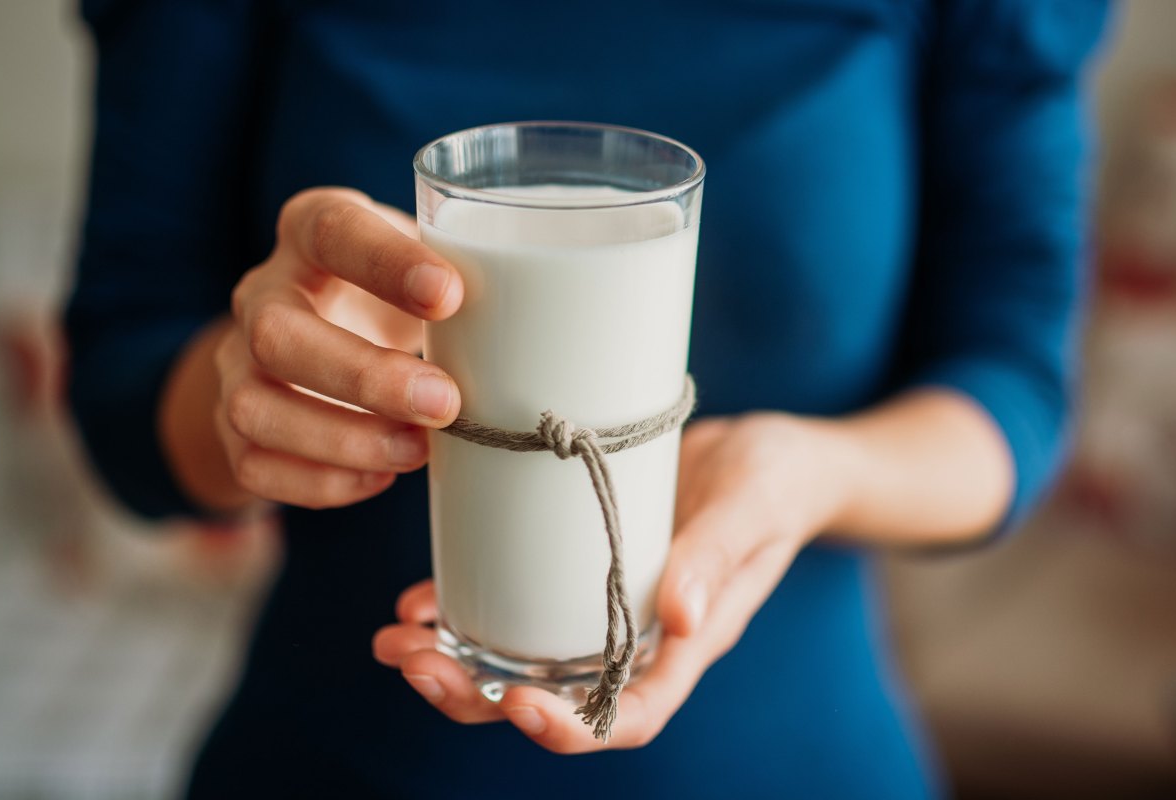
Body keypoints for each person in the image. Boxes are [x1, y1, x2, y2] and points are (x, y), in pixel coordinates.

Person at [65, 1, 1110, 796]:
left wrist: (812, 472)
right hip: (338, 752)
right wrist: (244, 384)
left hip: (794, 757)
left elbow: (1014, 379)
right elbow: (124, 381)